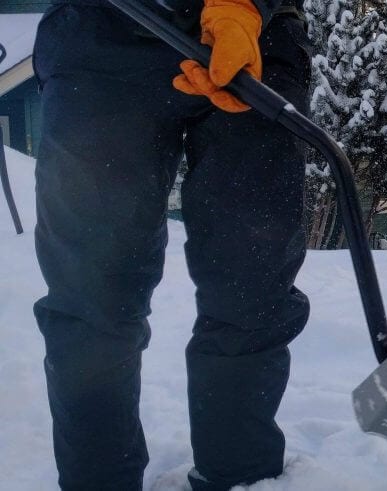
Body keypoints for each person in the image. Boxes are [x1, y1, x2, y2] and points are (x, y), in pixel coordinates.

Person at [32, 0, 312, 489]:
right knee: (90, 295)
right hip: (100, 34)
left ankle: (241, 479)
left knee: (250, 288)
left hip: (251, 36)